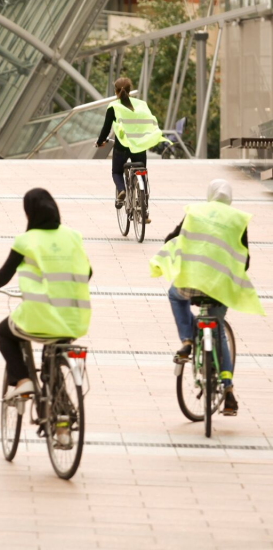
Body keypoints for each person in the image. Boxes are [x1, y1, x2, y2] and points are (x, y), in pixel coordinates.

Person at [150, 179, 265, 417]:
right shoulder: (237, 219)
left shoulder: (194, 212)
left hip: (190, 284)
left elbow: (171, 238)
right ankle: (228, 389)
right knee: (218, 328)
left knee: (175, 295)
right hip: (219, 288)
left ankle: (187, 340)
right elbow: (245, 260)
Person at [0, 189, 92, 408]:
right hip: (75, 318)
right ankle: (61, 423)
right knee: (52, 359)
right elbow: (88, 272)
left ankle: (22, 380)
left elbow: (4, 274)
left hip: (40, 316)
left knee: (4, 333)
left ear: (29, 213)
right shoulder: (73, 236)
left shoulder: (26, 241)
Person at [96, 76, 165, 222]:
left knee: (116, 171)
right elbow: (149, 122)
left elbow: (106, 128)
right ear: (130, 90)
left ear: (116, 91)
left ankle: (121, 190)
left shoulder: (114, 106)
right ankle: (144, 212)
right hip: (139, 146)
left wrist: (100, 142)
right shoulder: (142, 105)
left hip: (122, 146)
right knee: (142, 175)